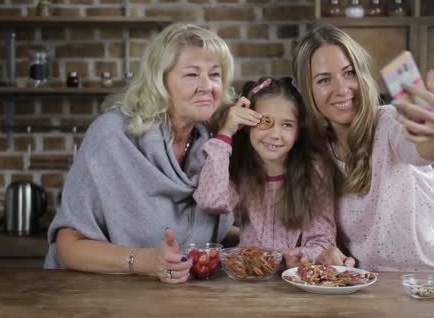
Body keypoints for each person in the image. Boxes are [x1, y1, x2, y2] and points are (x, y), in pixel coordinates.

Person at [44, 23, 237, 283]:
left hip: (177, 300)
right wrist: (144, 261)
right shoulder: (112, 136)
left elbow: (201, 233)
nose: (207, 86)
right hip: (93, 296)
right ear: (160, 81)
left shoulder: (213, 145)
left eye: (215, 75)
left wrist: (277, 243)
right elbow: (68, 245)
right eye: (191, 75)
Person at [292, 24, 434, 272]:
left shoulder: (389, 122)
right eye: (324, 80)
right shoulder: (318, 154)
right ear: (307, 91)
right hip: (378, 291)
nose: (342, 90)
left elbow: (420, 148)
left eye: (349, 73)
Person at [193, 77, 342, 265]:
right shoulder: (240, 167)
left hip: (295, 280)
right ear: (246, 125)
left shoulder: (313, 172)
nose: (275, 135)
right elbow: (211, 201)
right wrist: (225, 133)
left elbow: (323, 240)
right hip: (248, 279)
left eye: (287, 124)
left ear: (298, 131)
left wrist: (301, 255)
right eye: (265, 122)